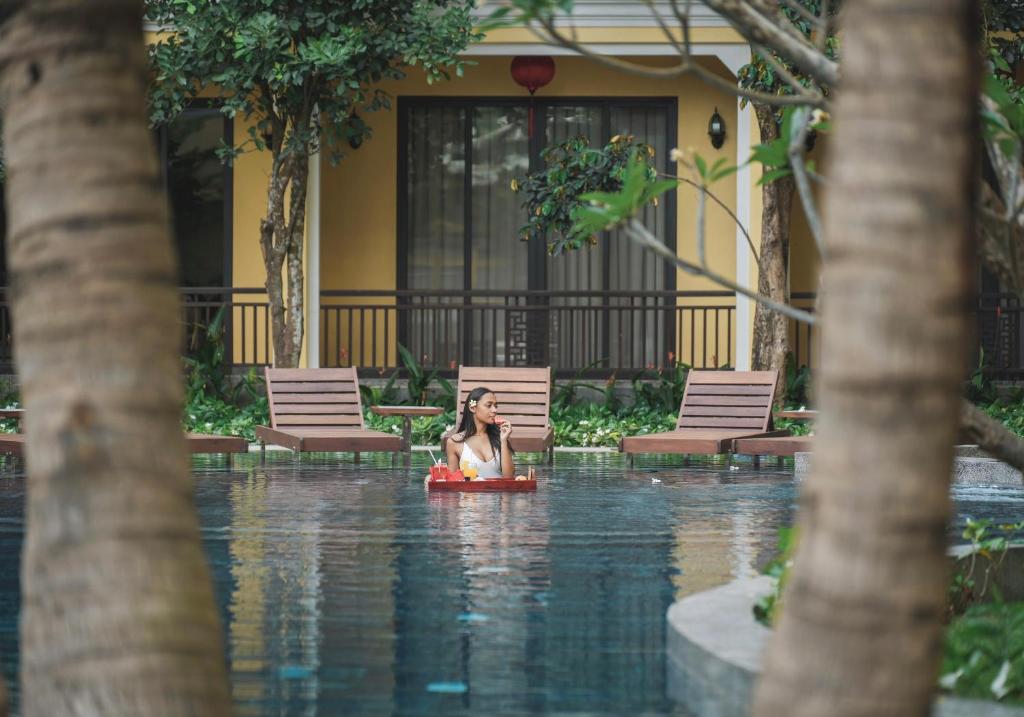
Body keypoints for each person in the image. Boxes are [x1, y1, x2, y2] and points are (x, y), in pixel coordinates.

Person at [445, 386, 515, 480]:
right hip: (470, 494)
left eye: (495, 406)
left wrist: (503, 440)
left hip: (499, 493)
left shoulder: (500, 437)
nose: (495, 410)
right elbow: (451, 481)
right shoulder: (454, 442)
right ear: (473, 408)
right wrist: (431, 477)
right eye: (489, 405)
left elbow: (509, 478)